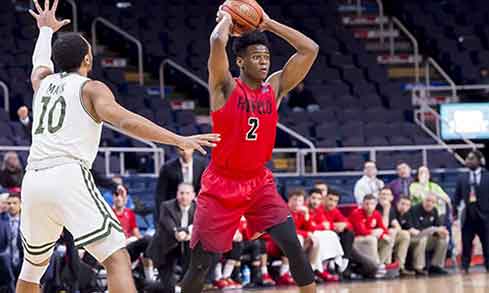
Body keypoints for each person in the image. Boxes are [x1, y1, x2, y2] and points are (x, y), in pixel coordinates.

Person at [19, 1, 219, 292]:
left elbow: (38, 65)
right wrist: (178, 139)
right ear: (88, 59)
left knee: (32, 269)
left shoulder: (42, 83)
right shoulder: (92, 89)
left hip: (34, 180)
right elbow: (126, 121)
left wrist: (45, 31)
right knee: (117, 258)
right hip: (67, 176)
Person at [182, 4, 319, 293]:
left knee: (292, 244)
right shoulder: (224, 88)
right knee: (199, 265)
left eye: (267, 57)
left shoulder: (275, 89)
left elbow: (310, 49)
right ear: (241, 62)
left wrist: (268, 24)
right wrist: (228, 18)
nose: (264, 62)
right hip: (221, 184)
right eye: (256, 57)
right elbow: (217, 42)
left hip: (258, 183)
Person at [147, 183, 196, 293]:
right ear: (177, 194)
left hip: (186, 251)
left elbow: (199, 225)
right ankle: (147, 286)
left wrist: (188, 232)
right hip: (164, 250)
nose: (184, 196)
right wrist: (179, 232)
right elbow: (169, 225)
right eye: (181, 193)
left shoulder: (198, 208)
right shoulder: (167, 206)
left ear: (193, 195)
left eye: (187, 193)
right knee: (168, 287)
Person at [323, 190, 378, 278]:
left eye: (335, 201)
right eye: (330, 199)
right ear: (324, 199)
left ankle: (346, 262)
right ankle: (345, 268)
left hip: (344, 247)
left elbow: (348, 224)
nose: (332, 203)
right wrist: (333, 226)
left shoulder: (335, 211)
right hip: (329, 246)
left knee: (372, 268)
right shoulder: (319, 210)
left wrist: (344, 224)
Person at [454, 150, 489, 273]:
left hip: (485, 216)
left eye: (471, 158)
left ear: (479, 161)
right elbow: (456, 196)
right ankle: (465, 266)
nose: (468, 161)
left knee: (487, 243)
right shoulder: (462, 177)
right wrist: (454, 212)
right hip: (468, 216)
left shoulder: (487, 176)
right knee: (466, 243)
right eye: (467, 159)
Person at [111, 186, 154, 282]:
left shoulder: (130, 213)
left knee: (147, 241)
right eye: (116, 195)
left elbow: (136, 232)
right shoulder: (108, 213)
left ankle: (150, 279)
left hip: (129, 246)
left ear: (126, 198)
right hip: (115, 248)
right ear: (113, 197)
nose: (119, 198)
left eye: (122, 195)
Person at [154, 148, 206, 222]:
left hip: (196, 207)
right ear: (177, 150)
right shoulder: (167, 168)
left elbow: (204, 187)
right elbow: (160, 193)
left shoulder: (201, 165)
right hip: (174, 209)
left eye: (188, 149)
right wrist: (161, 214)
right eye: (182, 149)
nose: (185, 152)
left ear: (193, 149)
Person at [306, 189, 344, 281]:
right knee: (318, 236)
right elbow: (309, 227)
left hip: (312, 235)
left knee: (331, 235)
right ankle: (317, 269)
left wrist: (320, 226)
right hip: (304, 236)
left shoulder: (318, 210)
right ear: (308, 199)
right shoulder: (304, 209)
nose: (315, 201)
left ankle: (324, 267)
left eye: (318, 199)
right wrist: (320, 226)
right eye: (313, 198)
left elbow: (326, 225)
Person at [376, 188, 414, 276]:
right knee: (391, 232)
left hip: (389, 237)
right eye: (382, 194)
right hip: (378, 237)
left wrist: (396, 230)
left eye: (387, 194)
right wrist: (386, 210)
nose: (385, 196)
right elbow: (383, 227)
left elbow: (398, 226)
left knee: (404, 234)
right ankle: (386, 264)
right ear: (378, 196)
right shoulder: (376, 207)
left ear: (392, 198)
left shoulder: (391, 209)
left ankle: (400, 267)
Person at [349, 194, 394, 268]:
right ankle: (375, 264)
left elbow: (383, 229)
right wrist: (373, 232)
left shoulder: (376, 214)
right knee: (372, 239)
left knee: (388, 239)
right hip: (356, 239)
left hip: (368, 236)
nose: (369, 206)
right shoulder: (356, 213)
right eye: (367, 204)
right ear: (362, 204)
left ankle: (380, 264)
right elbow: (361, 231)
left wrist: (383, 235)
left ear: (375, 205)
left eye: (372, 204)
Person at [410, 194, 449, 275]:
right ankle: (419, 267)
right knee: (422, 239)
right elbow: (418, 231)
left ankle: (435, 266)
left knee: (443, 240)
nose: (429, 203)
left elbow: (438, 227)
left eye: (433, 202)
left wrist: (441, 233)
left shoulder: (434, 210)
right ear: (423, 201)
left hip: (427, 238)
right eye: (428, 200)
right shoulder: (415, 209)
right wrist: (433, 229)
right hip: (413, 239)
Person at [2, 193, 23, 280]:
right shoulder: (1, 220)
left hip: (22, 260)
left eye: (15, 203)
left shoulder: (27, 221)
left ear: (21, 204)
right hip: (4, 263)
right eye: (9, 203)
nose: (11, 206)